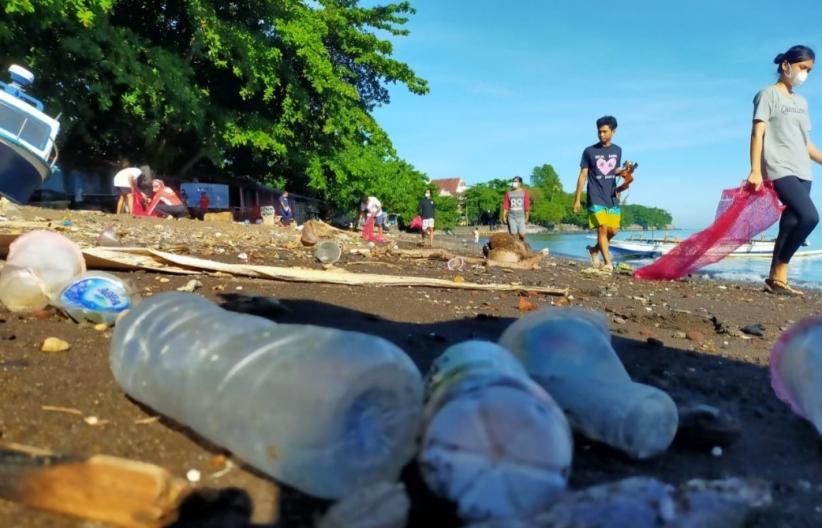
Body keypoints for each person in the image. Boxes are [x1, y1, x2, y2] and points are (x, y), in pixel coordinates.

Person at [749, 45, 822, 296]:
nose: (805, 74)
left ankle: (777, 281)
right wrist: (755, 170)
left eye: (810, 71)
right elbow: (757, 134)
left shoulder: (801, 102)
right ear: (786, 65)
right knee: (810, 217)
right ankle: (782, 265)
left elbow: (806, 144)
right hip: (779, 167)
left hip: (804, 169)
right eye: (803, 68)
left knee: (790, 224)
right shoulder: (767, 95)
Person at [573, 115, 630, 272]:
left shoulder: (618, 150)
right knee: (602, 228)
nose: (601, 135)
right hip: (595, 195)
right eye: (599, 132)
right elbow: (583, 175)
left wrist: (624, 171)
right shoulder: (589, 151)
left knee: (614, 230)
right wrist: (577, 199)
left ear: (613, 131)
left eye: (604, 131)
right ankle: (608, 263)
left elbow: (614, 170)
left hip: (611, 196)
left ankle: (594, 250)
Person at [501, 176, 531, 241]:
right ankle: (514, 248)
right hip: (511, 217)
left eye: (515, 181)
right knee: (513, 234)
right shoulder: (508, 193)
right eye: (513, 181)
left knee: (522, 235)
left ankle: (521, 245)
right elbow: (506, 206)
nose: (514, 183)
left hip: (521, 217)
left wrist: (527, 217)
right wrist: (503, 217)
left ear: (520, 183)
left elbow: (527, 206)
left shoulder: (525, 193)